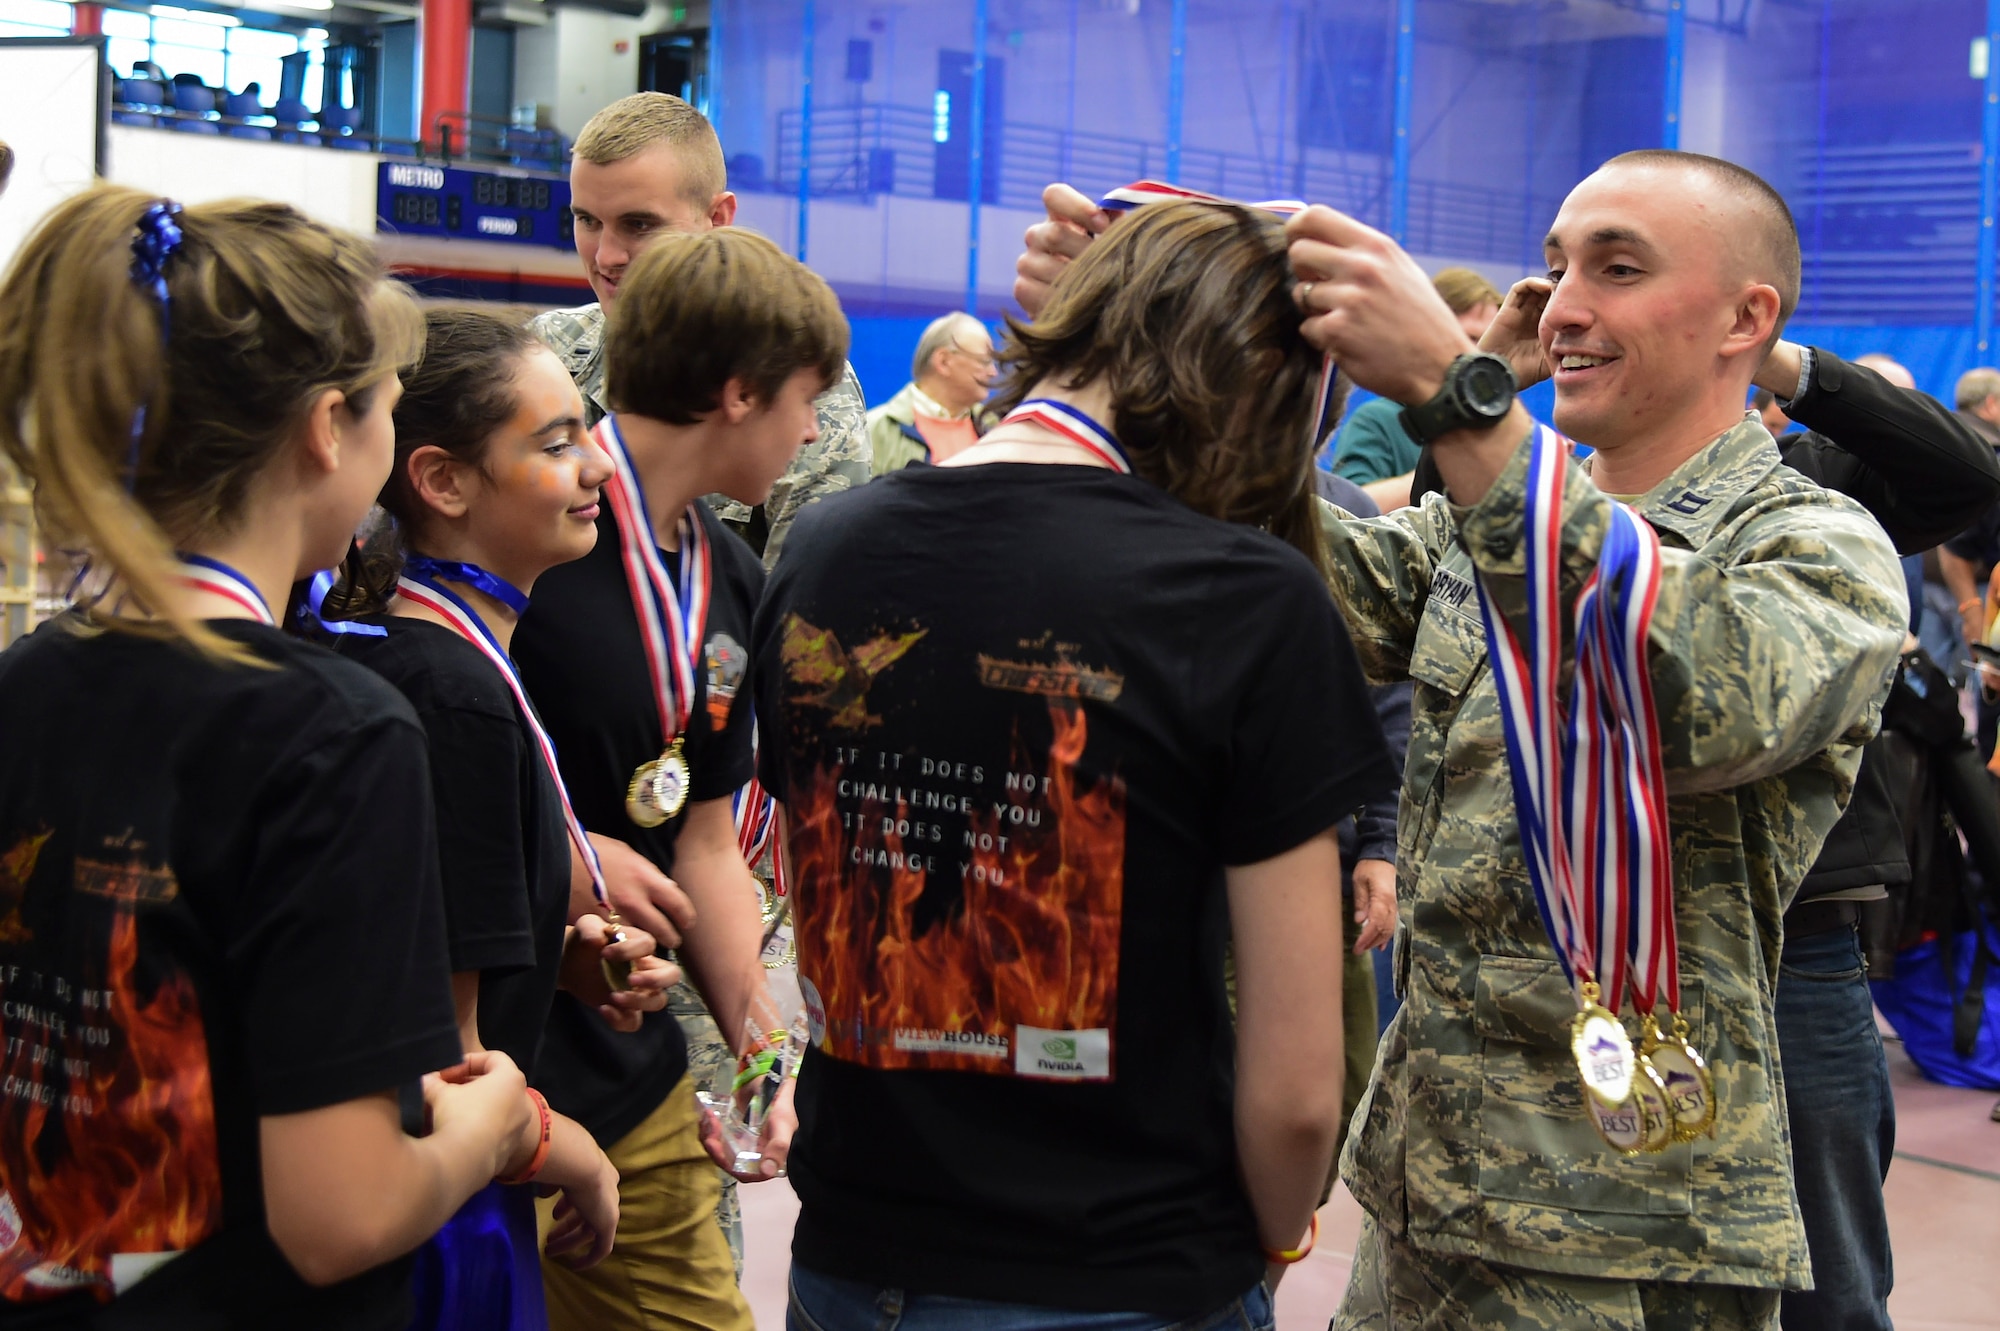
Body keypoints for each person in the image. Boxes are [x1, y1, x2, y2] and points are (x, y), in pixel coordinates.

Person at [759, 198, 1395, 1330]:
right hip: (1121, 1268)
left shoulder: (822, 540)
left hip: (848, 1257)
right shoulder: (1241, 595)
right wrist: (1268, 1237)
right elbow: (1300, 1087)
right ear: (1260, 388)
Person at [0, 186, 533, 1324]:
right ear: (327, 427)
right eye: (389, 409)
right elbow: (339, 1214)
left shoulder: (28, 678)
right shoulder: (332, 731)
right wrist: (487, 1133)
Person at [319, 310, 686, 1325]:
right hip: (438, 1211)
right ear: (441, 481)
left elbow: (402, 937)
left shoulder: (419, 652)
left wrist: (551, 949)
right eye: (557, 441)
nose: (600, 466)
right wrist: (573, 1150)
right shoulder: (453, 691)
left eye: (591, 431)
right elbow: (447, 1058)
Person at [512, 226, 847, 1331]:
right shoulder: (531, 525)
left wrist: (759, 1038)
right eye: (807, 397)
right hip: (486, 1045)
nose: (813, 429)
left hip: (629, 1051)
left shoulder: (731, 571)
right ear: (740, 393)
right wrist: (560, 854)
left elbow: (703, 838)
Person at [529, 91, 868, 569]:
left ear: (717, 219)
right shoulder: (546, 353)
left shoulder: (792, 384)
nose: (605, 256)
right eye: (587, 220)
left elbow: (800, 609)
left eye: (639, 224)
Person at [1327, 266, 1499, 510]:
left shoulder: (1497, 425)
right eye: (1468, 338)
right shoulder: (1379, 420)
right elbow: (1345, 511)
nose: (1476, 353)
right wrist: (1453, 468)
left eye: (1487, 342)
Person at [865, 311, 997, 473]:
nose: (993, 372)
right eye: (984, 361)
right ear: (943, 361)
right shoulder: (875, 431)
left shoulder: (995, 429)